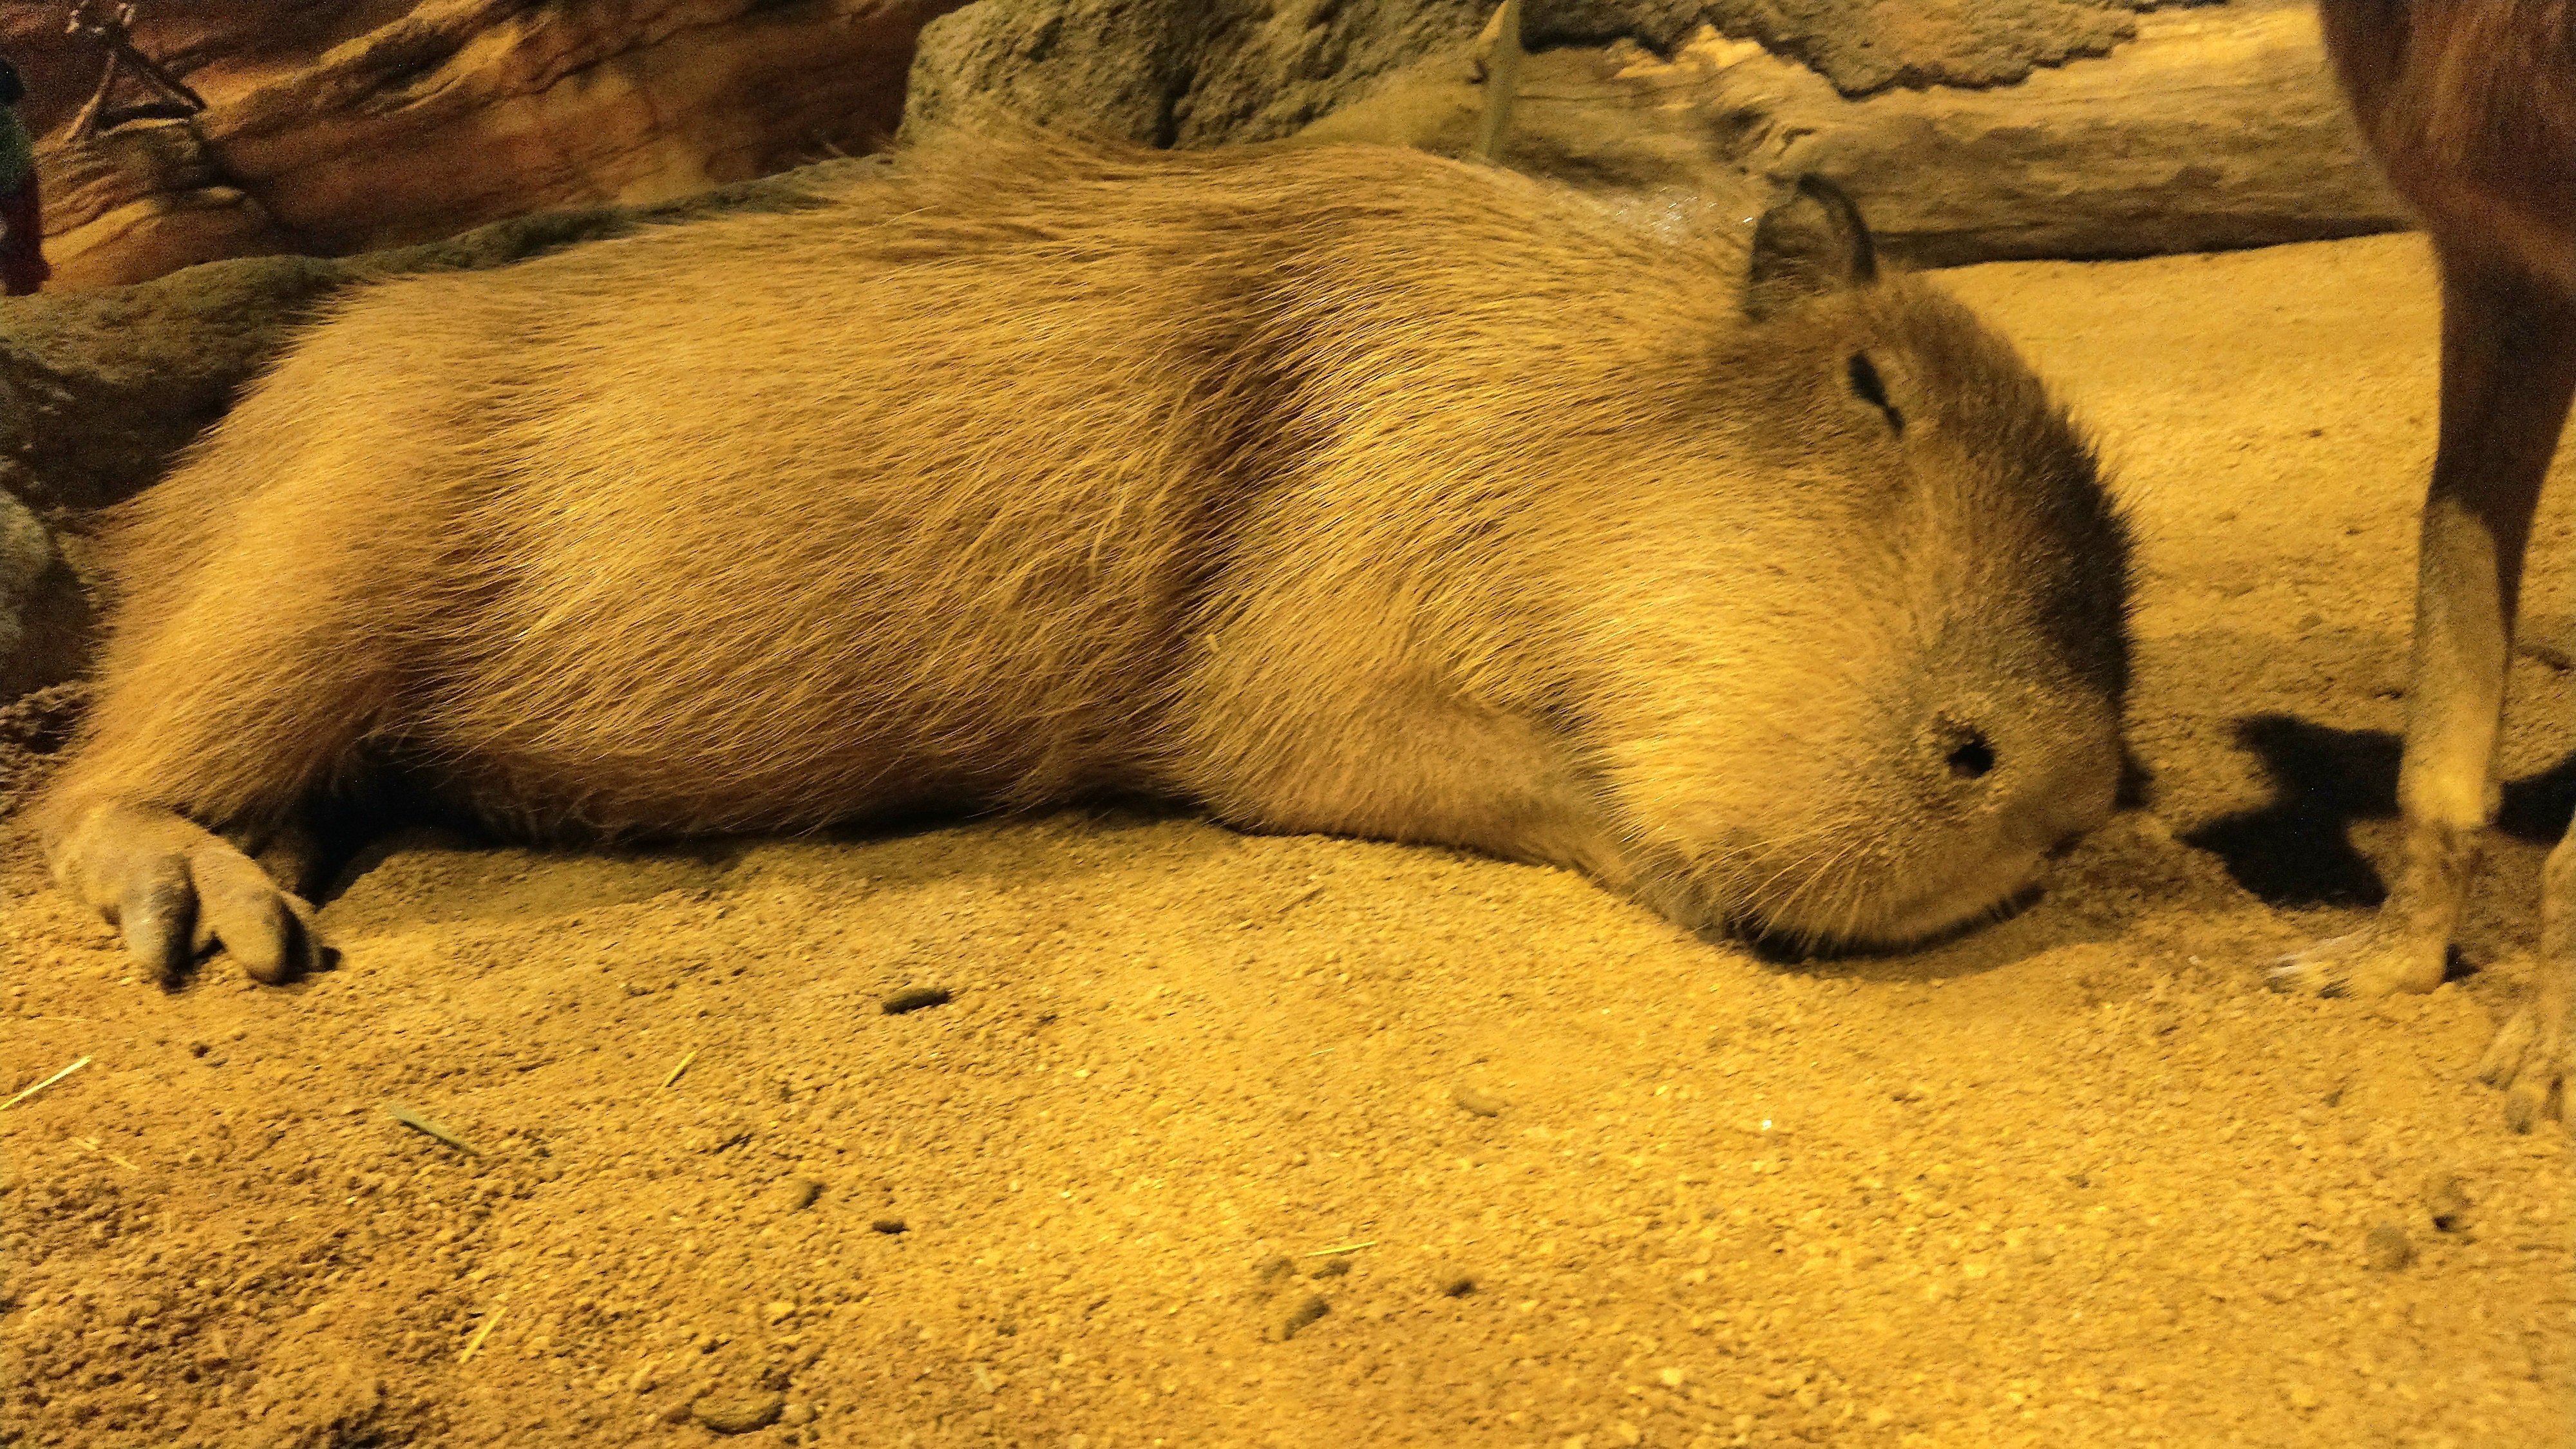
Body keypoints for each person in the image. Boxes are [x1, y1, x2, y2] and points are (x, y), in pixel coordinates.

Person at [0, 55, 51, 297]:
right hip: (14, 165)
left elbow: (13, 90)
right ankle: (23, 280)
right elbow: (15, 91)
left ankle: (23, 281)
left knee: (24, 232)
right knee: (25, 231)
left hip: (13, 163)